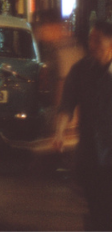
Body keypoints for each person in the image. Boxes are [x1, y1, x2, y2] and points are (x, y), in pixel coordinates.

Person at [53, 21, 112, 230]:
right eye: (90, 39)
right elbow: (67, 104)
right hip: (90, 155)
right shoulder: (80, 70)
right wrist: (59, 132)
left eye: (97, 40)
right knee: (96, 209)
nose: (92, 45)